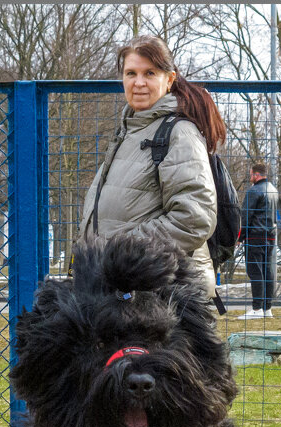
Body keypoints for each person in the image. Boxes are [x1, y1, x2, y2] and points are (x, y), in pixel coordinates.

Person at [78, 35, 227, 298]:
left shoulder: (178, 133)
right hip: (123, 289)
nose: (138, 83)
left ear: (169, 79)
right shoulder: (129, 131)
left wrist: (120, 254)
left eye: (150, 73)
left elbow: (194, 218)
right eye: (130, 73)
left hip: (162, 297)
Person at [239, 162, 279, 319]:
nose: (250, 178)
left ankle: (256, 309)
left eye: (251, 175)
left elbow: (245, 216)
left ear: (256, 175)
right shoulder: (273, 190)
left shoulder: (254, 191)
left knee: (255, 271)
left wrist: (240, 237)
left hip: (255, 236)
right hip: (270, 236)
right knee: (267, 271)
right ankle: (267, 308)